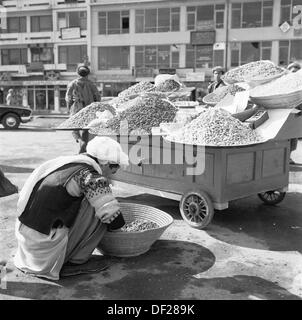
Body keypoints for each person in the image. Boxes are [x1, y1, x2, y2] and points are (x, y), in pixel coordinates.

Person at [14, 137, 129, 280]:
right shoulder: (90, 177)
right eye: (115, 167)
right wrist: (123, 231)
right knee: (99, 208)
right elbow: (111, 216)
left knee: (94, 200)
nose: (115, 171)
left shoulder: (67, 164)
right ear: (105, 163)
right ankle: (76, 259)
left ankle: (70, 254)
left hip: (28, 245)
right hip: (44, 252)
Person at [65, 65, 101, 154]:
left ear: (78, 73)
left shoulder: (73, 83)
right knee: (86, 129)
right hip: (89, 110)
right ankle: (83, 144)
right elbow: (98, 97)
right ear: (88, 74)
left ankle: (80, 141)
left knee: (74, 128)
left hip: (76, 109)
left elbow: (68, 97)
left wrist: (69, 108)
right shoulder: (91, 84)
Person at [287, 62, 301, 164]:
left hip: (297, 114)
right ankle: (285, 157)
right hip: (286, 114)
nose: (294, 71)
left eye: (297, 70)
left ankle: (289, 156)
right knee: (285, 137)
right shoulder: (284, 83)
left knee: (293, 138)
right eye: (293, 70)